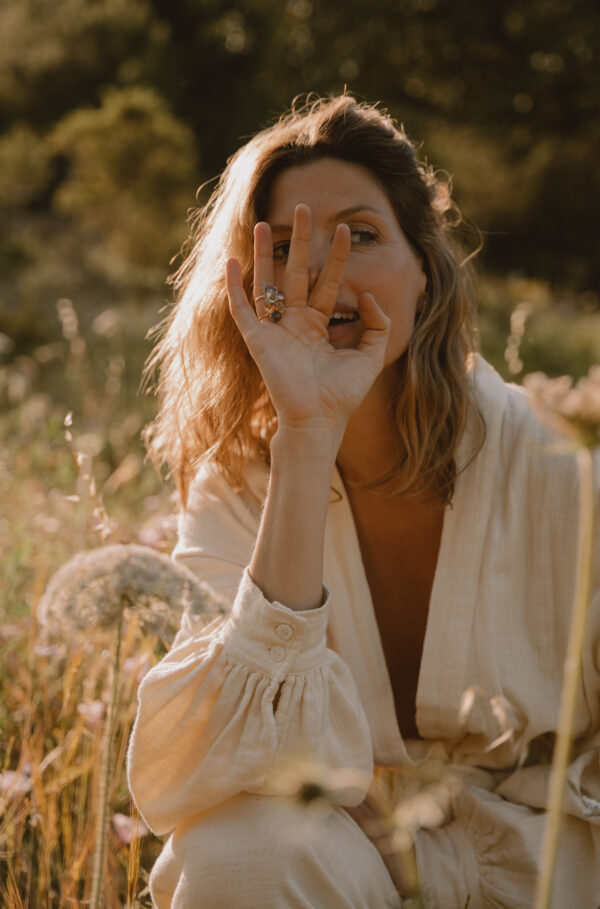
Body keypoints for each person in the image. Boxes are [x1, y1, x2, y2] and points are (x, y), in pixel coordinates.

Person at [127, 95, 600, 908]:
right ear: (253, 289)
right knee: (240, 854)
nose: (326, 266)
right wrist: (306, 436)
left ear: (426, 268)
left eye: (362, 235)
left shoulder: (562, 461)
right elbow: (204, 759)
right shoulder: (239, 488)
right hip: (352, 857)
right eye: (289, 244)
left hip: (557, 860)